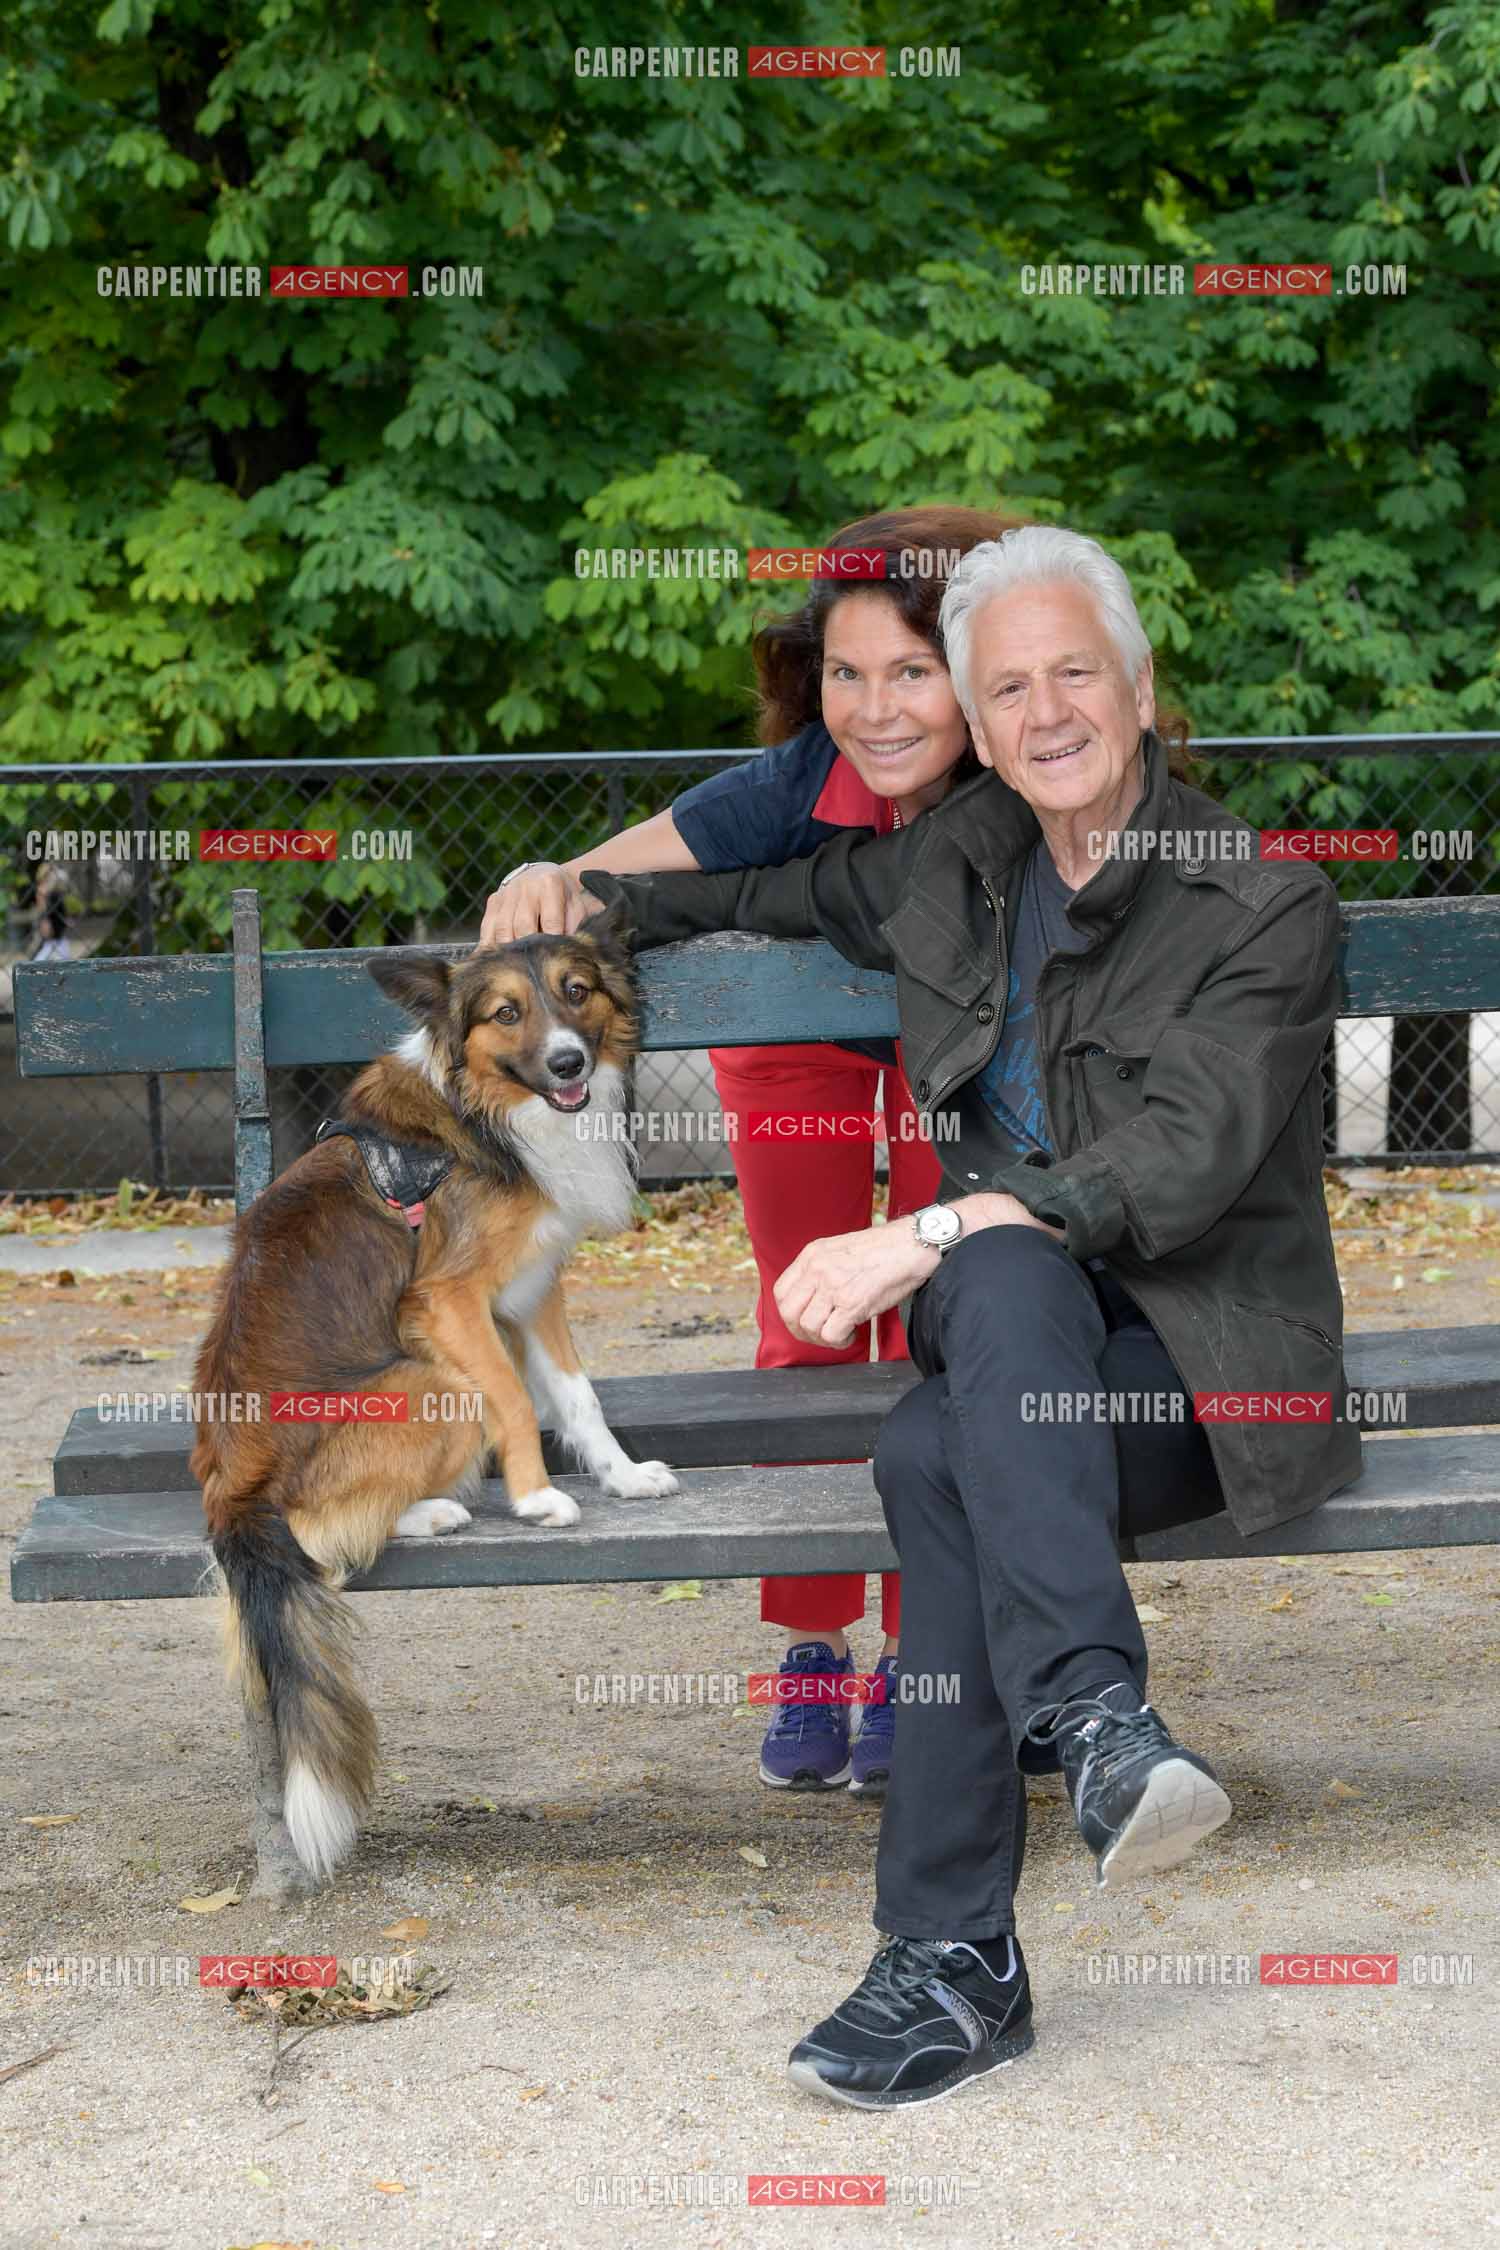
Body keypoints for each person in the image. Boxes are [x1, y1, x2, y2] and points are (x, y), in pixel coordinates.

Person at [571, 524, 1363, 2107]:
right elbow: (747, 880)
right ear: (983, 725)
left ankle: (955, 1959)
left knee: (941, 1439)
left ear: (1137, 688)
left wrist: (917, 1228)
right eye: (1010, 686)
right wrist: (578, 901)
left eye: (1078, 671)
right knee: (995, 1298)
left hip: (1199, 1388)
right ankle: (1096, 1721)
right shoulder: (953, 864)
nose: (1046, 709)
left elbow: (1175, 1168)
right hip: (1025, 1358)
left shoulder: (1260, 903)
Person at [482, 508, 1018, 1796]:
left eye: (911, 670)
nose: (876, 708)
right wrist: (537, 877)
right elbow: (584, 885)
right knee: (814, 1315)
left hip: (969, 1065)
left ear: (974, 671)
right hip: (803, 1063)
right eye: (845, 672)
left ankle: (922, 1655)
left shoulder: (1025, 769)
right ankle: (818, 1651)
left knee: (958, 1319)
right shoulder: (788, 786)